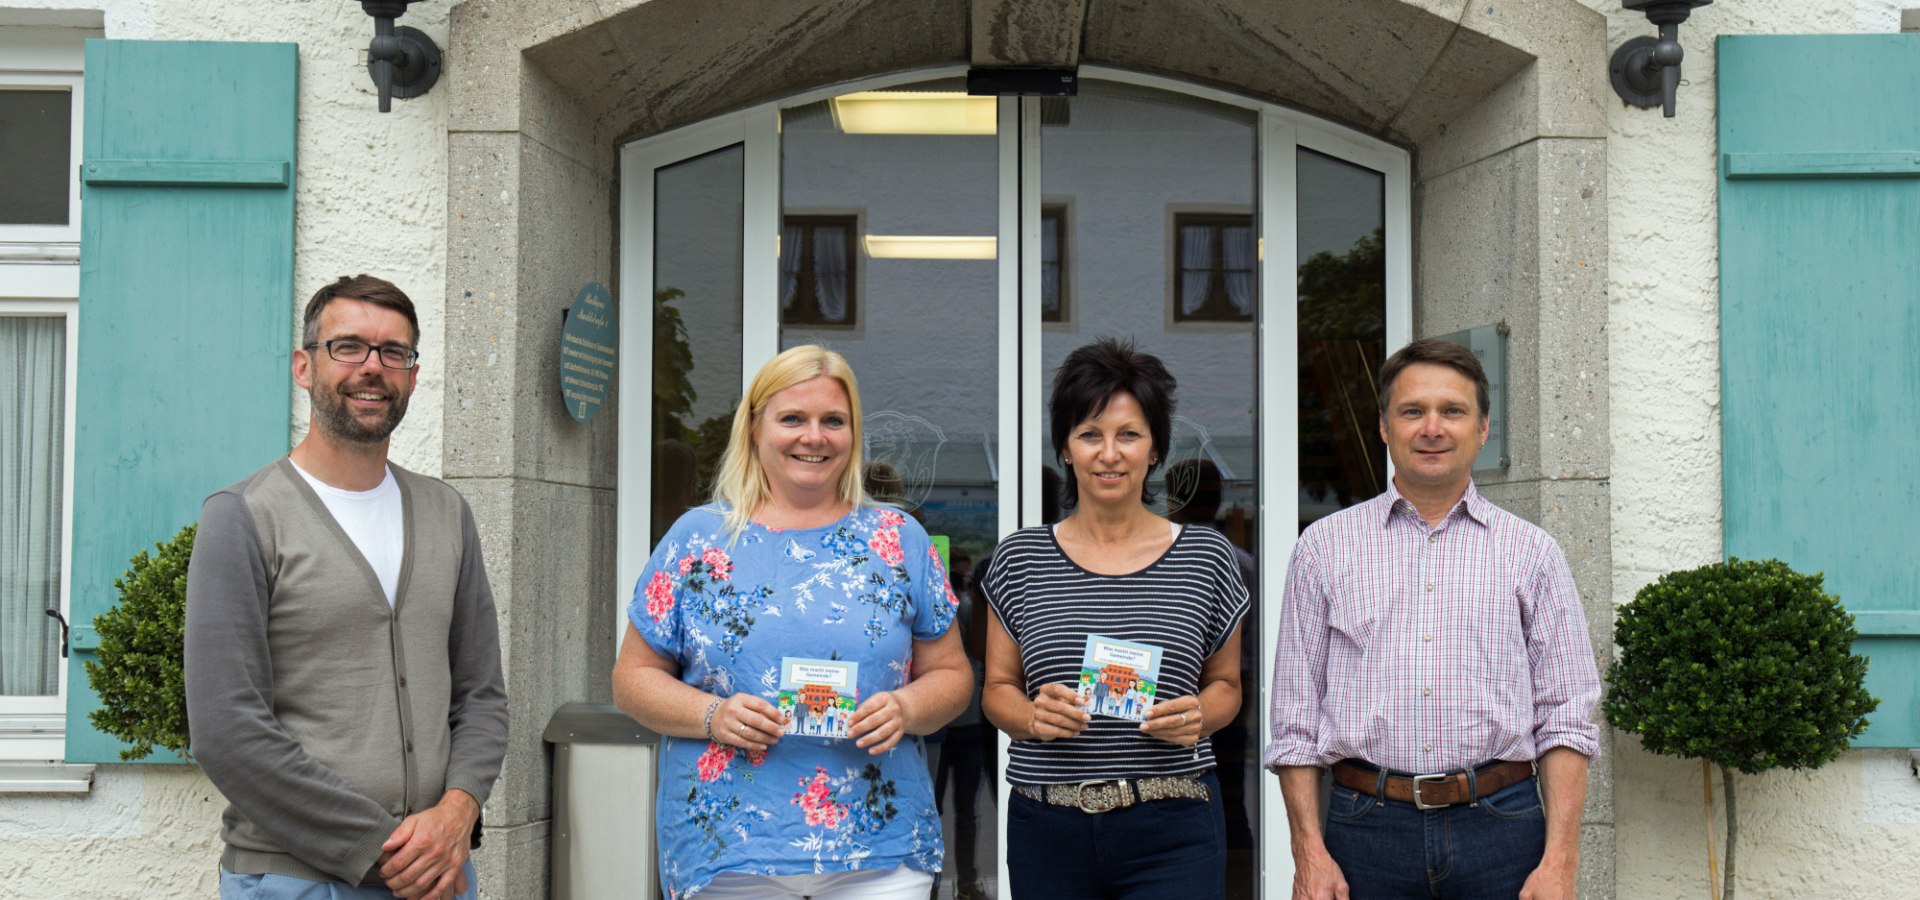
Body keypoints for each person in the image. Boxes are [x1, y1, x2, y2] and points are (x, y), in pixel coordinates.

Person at [185, 275, 508, 900]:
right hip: (294, 880)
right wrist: (382, 851)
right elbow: (227, 729)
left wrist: (457, 812)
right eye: (349, 347)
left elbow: (481, 694)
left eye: (394, 353)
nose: (372, 368)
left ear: (412, 377)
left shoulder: (446, 512)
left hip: (441, 872)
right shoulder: (242, 517)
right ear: (304, 367)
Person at [612, 344, 971, 899]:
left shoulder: (899, 538)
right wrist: (712, 714)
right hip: (730, 851)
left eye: (834, 420)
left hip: (880, 850)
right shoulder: (697, 538)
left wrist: (908, 707)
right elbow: (632, 679)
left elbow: (952, 674)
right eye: (792, 419)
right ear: (755, 429)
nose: (815, 436)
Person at [1265, 338, 1602, 900]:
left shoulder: (1532, 552)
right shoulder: (1323, 548)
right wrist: (1308, 854)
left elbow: (1566, 716)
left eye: (1453, 411)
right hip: (1365, 829)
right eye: (1413, 411)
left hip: (1503, 827)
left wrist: (1561, 861)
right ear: (1383, 427)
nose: (1432, 428)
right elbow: (1294, 720)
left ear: (1483, 428)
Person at [981, 337, 1250, 899]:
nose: (1110, 453)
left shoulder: (1206, 556)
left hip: (1173, 821)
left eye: (1129, 434)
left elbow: (1227, 686)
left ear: (1155, 449)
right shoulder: (1021, 557)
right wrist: (1032, 718)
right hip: (1047, 823)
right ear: (1065, 448)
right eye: (1089, 435)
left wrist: (1198, 715)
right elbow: (998, 690)